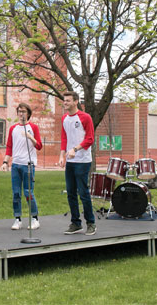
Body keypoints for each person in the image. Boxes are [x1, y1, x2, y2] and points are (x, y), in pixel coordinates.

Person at [58, 91, 96, 235]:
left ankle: (91, 223)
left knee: (83, 193)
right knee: (71, 193)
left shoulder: (85, 118)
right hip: (70, 161)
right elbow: (64, 139)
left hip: (83, 160)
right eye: (64, 100)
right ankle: (76, 223)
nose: (65, 103)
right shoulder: (64, 119)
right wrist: (62, 156)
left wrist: (75, 149)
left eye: (68, 100)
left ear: (76, 101)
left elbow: (90, 139)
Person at [1, 103, 43, 230]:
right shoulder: (13, 128)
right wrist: (5, 162)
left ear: (28, 113)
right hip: (16, 165)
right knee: (16, 193)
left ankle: (35, 218)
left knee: (28, 192)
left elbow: (39, 146)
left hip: (28, 165)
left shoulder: (33, 127)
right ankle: (17, 219)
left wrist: (30, 137)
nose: (21, 114)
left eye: (24, 111)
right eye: (19, 111)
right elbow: (9, 146)